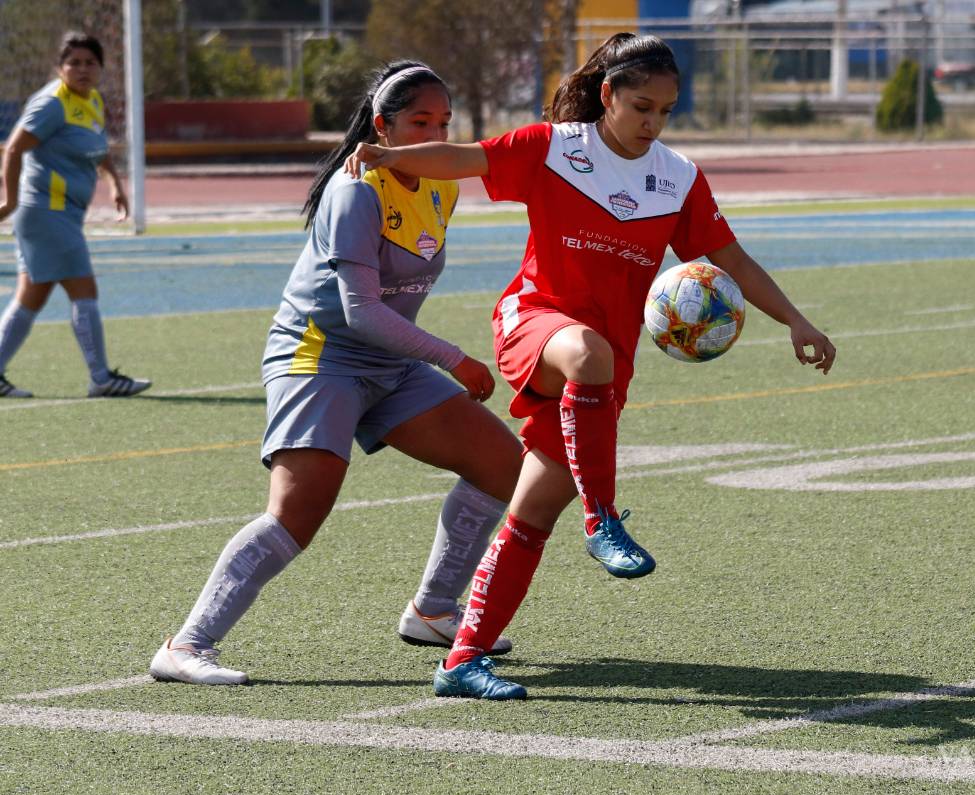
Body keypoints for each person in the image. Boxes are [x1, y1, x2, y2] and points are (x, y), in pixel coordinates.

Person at [347, 33, 837, 700]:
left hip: (603, 377)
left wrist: (796, 320)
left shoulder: (678, 177)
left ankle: (461, 661)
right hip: (534, 323)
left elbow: (732, 259)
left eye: (666, 111)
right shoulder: (555, 147)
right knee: (586, 351)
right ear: (607, 95)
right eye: (641, 107)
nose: (653, 123)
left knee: (532, 512)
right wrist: (387, 154)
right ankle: (602, 517)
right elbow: (463, 157)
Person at [149, 61, 524, 685]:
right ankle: (185, 646)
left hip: (389, 363)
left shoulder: (443, 186)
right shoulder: (354, 192)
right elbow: (361, 312)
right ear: (382, 127)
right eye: (419, 122)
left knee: (503, 465)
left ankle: (433, 611)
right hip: (319, 359)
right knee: (296, 513)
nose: (435, 135)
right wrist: (453, 357)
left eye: (444, 123)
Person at [0, 32, 150, 399]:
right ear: (60, 68)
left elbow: (98, 149)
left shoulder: (92, 100)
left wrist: (114, 183)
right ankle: (101, 377)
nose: (82, 70)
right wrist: (10, 200)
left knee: (30, 297)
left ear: (101, 68)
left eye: (90, 63)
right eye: (74, 63)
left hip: (61, 216)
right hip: (45, 213)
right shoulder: (53, 103)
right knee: (85, 289)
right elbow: (14, 148)